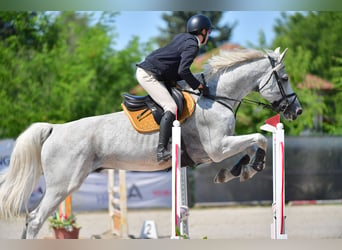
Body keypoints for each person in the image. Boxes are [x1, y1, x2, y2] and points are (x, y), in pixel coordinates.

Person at [136, 14, 213, 162]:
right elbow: (183, 71)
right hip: (149, 75)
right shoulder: (193, 45)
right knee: (171, 106)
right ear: (202, 31)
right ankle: (161, 150)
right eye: (208, 32)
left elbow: (175, 67)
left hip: (154, 72)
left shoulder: (183, 37)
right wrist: (199, 86)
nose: (208, 35)